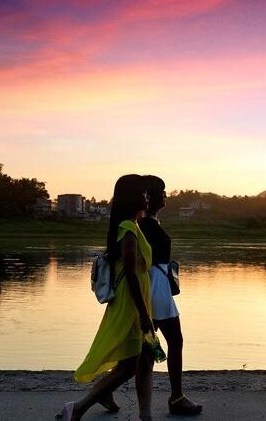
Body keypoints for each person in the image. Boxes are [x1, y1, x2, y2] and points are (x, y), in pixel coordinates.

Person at [101, 175, 203, 415]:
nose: (166, 195)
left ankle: (108, 390)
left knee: (148, 348)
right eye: (162, 192)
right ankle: (175, 398)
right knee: (160, 345)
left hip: (158, 287)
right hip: (155, 289)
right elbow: (137, 263)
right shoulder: (144, 224)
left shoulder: (148, 222)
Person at [57, 174, 156, 421]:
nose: (147, 196)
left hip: (137, 300)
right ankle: (78, 407)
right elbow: (131, 274)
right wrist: (144, 315)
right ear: (133, 196)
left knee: (143, 358)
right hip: (131, 303)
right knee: (130, 364)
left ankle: (144, 415)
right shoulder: (128, 229)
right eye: (143, 192)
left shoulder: (133, 226)